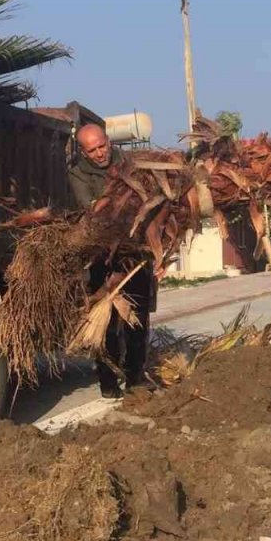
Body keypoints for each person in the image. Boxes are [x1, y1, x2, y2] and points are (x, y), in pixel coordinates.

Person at [68, 123, 153, 398]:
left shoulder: (130, 162)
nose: (100, 153)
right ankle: (107, 380)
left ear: (108, 141)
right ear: (83, 151)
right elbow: (93, 211)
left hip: (136, 254)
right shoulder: (78, 174)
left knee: (137, 322)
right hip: (102, 257)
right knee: (107, 325)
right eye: (92, 150)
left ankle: (135, 378)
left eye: (102, 146)